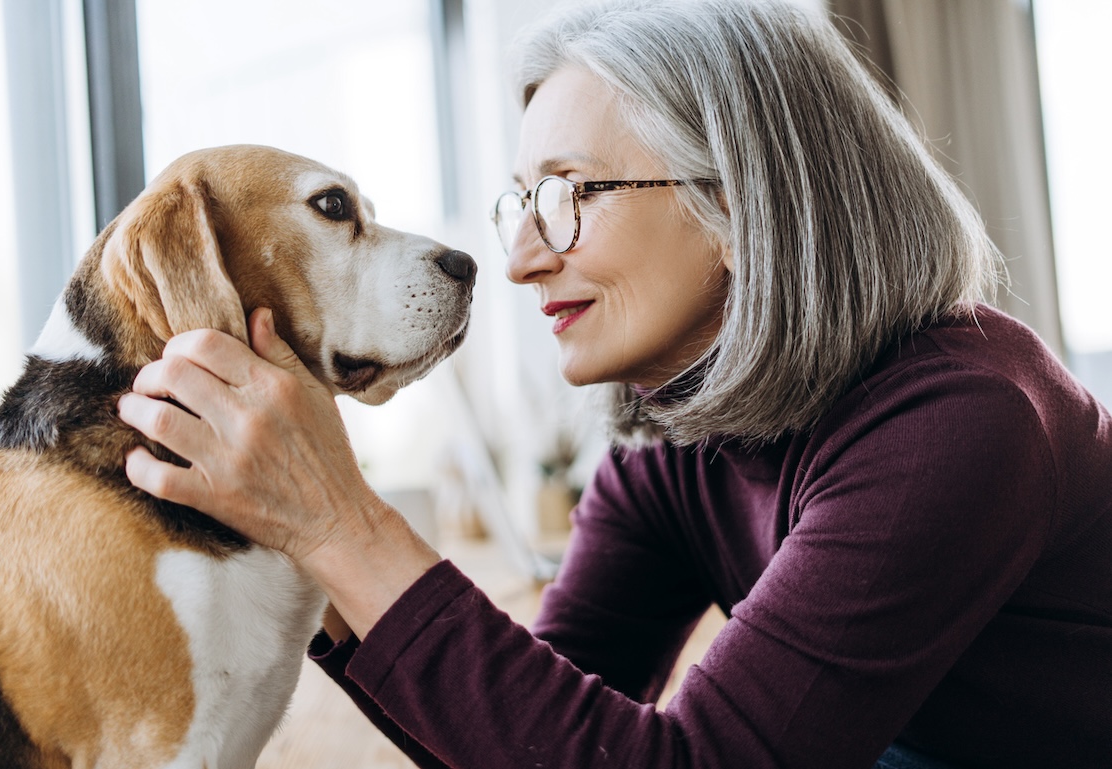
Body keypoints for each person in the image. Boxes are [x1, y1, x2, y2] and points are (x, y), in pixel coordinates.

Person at [117, 0, 1112, 767]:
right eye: (520, 202)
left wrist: (340, 522)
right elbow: (529, 745)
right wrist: (301, 527)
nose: (520, 259)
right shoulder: (672, 441)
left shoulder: (961, 419)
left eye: (569, 192)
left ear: (738, 204)